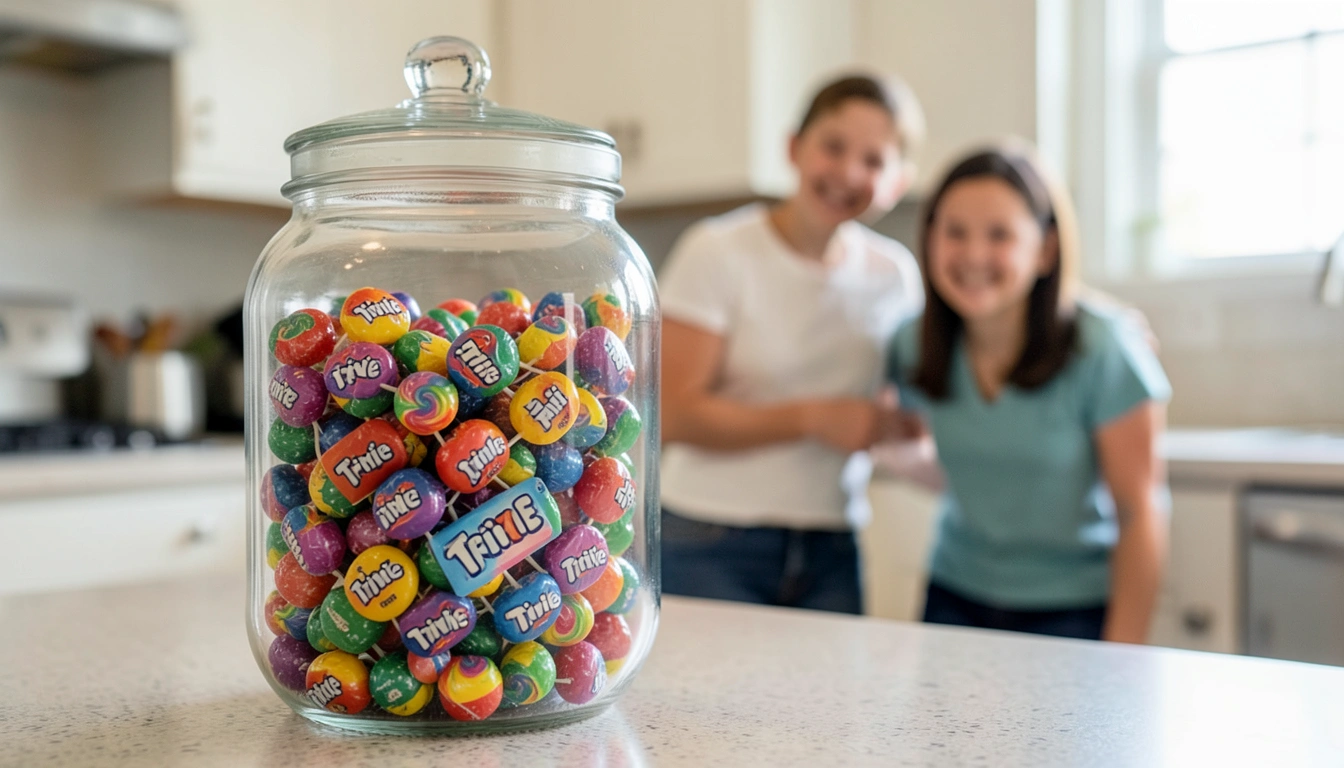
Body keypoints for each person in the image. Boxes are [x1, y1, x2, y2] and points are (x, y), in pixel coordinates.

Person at [658, 74, 926, 614]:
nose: (849, 172)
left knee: (833, 702)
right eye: (833, 147)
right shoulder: (717, 251)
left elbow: (921, 396)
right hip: (707, 535)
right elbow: (672, 413)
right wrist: (813, 419)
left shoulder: (893, 275)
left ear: (898, 181)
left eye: (874, 161)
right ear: (794, 147)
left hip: (832, 543)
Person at [885, 143, 1170, 642]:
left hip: (1073, 609)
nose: (973, 254)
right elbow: (899, 438)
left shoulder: (1104, 348)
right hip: (953, 596)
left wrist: (1125, 657)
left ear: (1045, 250)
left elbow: (1140, 509)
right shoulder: (913, 343)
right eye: (954, 232)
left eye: (1000, 235)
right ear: (929, 240)